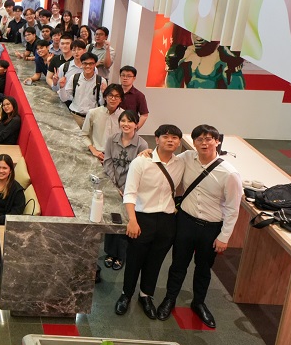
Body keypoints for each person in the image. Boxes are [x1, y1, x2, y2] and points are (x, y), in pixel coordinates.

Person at [154, 124, 243, 328]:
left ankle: (199, 302)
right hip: (185, 222)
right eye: (199, 139)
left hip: (211, 228)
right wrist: (148, 153)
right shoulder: (187, 157)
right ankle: (170, 298)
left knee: (203, 268)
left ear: (217, 141)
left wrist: (224, 237)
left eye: (208, 139)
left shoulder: (229, 173)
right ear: (193, 143)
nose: (204, 143)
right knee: (178, 264)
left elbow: (233, 209)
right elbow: (165, 158)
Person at [115, 125, 185, 319]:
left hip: (167, 220)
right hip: (142, 217)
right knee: (134, 259)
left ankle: (146, 295)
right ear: (157, 139)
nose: (170, 140)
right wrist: (132, 220)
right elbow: (130, 193)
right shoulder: (141, 162)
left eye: (175, 138)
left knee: (156, 261)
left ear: (179, 142)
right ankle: (126, 294)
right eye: (166, 137)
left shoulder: (181, 162)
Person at [102, 110, 148, 272]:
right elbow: (107, 161)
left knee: (125, 220)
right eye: (123, 121)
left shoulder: (142, 145)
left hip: (130, 189)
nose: (126, 124)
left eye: (130, 121)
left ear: (136, 125)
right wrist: (114, 185)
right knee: (111, 218)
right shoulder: (112, 139)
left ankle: (121, 255)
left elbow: (139, 170)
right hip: (112, 184)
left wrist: (126, 189)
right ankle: (110, 252)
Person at [82, 84, 124, 162]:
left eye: (117, 96)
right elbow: (84, 135)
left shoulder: (124, 116)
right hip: (95, 154)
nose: (113, 99)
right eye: (110, 95)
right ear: (105, 97)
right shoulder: (93, 113)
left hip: (116, 157)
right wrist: (94, 151)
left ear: (121, 99)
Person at [64, 52, 107, 120]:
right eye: (85, 63)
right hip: (74, 115)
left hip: (92, 117)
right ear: (81, 64)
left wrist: (103, 92)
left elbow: (102, 103)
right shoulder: (74, 78)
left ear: (95, 64)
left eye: (91, 63)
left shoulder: (101, 81)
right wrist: (61, 87)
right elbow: (64, 98)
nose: (88, 66)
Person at [0, 154, 26, 225]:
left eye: (4, 168)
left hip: (2, 224)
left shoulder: (17, 190)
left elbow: (16, 213)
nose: (1, 171)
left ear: (10, 170)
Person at [118, 66, 150, 131]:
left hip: (128, 127)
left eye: (128, 76)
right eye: (123, 75)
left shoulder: (139, 95)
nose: (125, 78)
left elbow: (144, 115)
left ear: (134, 78)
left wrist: (135, 128)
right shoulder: (114, 92)